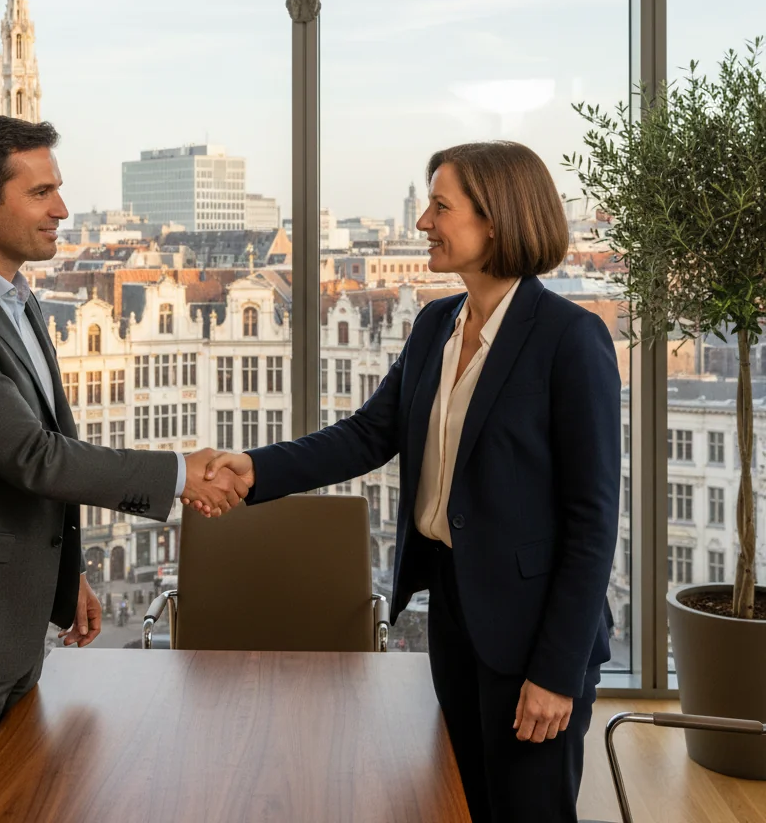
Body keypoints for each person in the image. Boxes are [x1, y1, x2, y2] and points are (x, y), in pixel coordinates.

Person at [194, 141, 620, 823]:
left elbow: (594, 521)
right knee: (461, 800)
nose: (423, 222)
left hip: (533, 627)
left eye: (440, 207)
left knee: (527, 809)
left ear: (497, 222)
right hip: (454, 608)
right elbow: (368, 434)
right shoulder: (434, 325)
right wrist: (257, 468)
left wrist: (555, 671)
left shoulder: (571, 341)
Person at [0, 116, 247, 823]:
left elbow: (30, 450)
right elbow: (34, 458)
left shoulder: (17, 301)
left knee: (12, 805)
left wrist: (65, 572)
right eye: (42, 193)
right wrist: (177, 475)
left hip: (2, 620)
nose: (62, 210)